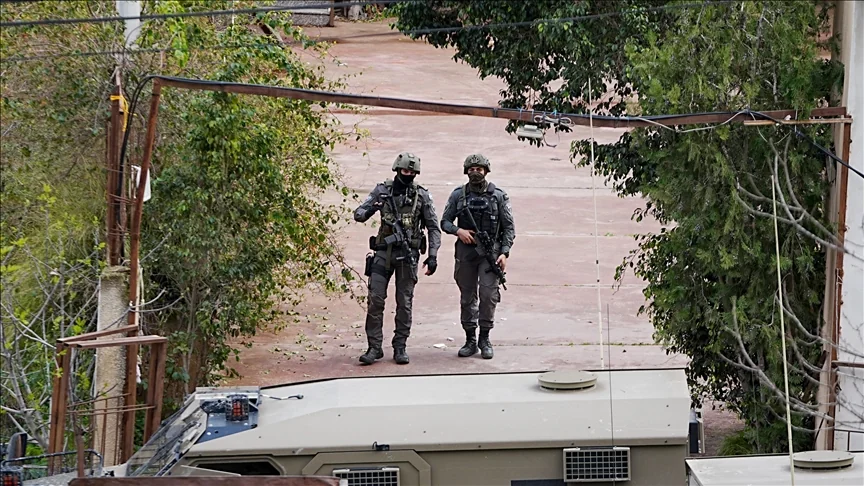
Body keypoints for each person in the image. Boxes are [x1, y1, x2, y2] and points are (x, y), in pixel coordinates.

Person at [353, 152, 441, 365]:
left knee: (405, 303)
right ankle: (374, 347)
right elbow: (359, 213)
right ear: (397, 170)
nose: (408, 175)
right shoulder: (382, 191)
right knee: (375, 299)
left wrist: (432, 255)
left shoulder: (422, 195)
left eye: (412, 172)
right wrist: (373, 208)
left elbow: (433, 227)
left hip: (407, 256)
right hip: (383, 253)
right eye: (405, 171)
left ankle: (400, 346)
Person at [440, 154, 515, 359]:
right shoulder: (458, 195)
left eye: (479, 169)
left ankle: (484, 338)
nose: (475, 173)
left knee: (488, 295)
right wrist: (458, 231)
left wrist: (504, 252)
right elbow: (445, 222)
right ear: (466, 171)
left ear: (486, 171)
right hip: (466, 252)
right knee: (467, 296)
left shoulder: (498, 196)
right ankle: (470, 339)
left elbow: (509, 228)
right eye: (471, 169)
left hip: (490, 253)